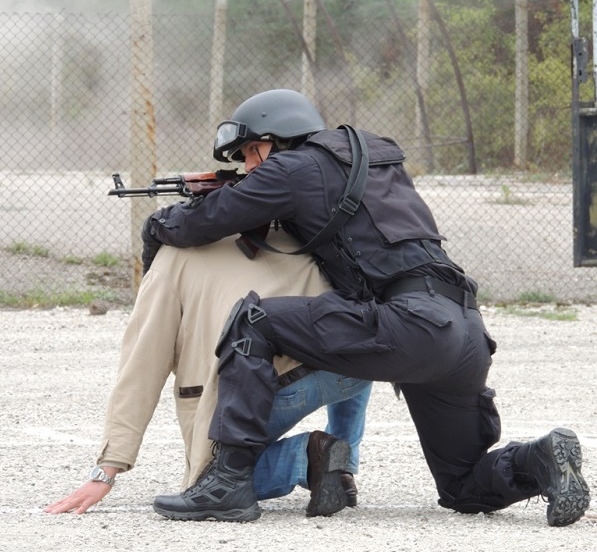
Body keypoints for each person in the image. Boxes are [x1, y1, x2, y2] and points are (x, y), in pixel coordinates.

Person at [143, 88, 590, 527]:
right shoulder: (370, 157)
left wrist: (156, 225)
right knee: (463, 487)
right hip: (465, 331)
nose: (248, 167)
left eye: (249, 153)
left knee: (254, 320)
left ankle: (228, 482)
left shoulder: (292, 168)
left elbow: (203, 222)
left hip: (411, 326)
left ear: (273, 139)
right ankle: (542, 457)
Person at [44, 229, 372, 520]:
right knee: (345, 342)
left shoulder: (170, 261)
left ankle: (309, 458)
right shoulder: (289, 227)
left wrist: (107, 469)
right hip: (352, 369)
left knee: (213, 483)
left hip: (266, 384)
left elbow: (140, 370)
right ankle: (345, 466)